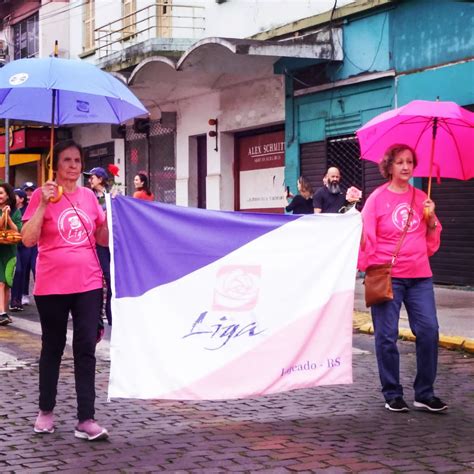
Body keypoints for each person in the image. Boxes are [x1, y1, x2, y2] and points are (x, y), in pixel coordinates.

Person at [22, 139, 109, 440]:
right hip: (51, 285)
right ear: (55, 165)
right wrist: (44, 202)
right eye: (67, 160)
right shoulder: (39, 196)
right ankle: (46, 411)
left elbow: (102, 239)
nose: (73, 166)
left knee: (86, 348)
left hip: (88, 283)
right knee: (53, 348)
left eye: (77, 161)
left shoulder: (88, 197)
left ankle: (86, 419)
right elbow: (28, 239)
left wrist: (111, 216)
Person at [358, 143, 447, 413]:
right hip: (389, 276)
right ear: (389, 166)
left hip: (420, 276)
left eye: (410, 162)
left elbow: (431, 242)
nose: (406, 166)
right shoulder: (377, 198)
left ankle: (424, 392)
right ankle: (392, 392)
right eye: (400, 162)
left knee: (429, 331)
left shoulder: (422, 197)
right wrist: (368, 265)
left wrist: (431, 219)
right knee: (386, 336)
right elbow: (365, 234)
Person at [83, 167, 112, 326]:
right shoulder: (89, 198)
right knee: (98, 277)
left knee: (110, 277)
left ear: (100, 179)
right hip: (94, 243)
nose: (89, 180)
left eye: (92, 177)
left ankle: (110, 312)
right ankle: (97, 312)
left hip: (110, 243)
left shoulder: (112, 195)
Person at [0, 184, 22, 326]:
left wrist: (8, 216)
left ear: (8, 195)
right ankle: (1, 313)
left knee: (7, 283)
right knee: (0, 283)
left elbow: (18, 230)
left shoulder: (16, 211)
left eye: (1, 193)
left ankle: (4, 312)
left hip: (10, 252)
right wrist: (3, 215)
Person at [9, 188, 28, 312]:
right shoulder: (9, 209)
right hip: (12, 244)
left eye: (17, 196)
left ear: (21, 199)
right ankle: (13, 300)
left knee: (23, 272)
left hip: (25, 244)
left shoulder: (25, 210)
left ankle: (18, 299)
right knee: (18, 270)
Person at [20, 181, 38, 305]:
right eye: (27, 191)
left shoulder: (38, 205)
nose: (29, 193)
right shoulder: (19, 207)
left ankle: (40, 293)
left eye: (31, 190)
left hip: (37, 243)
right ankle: (24, 293)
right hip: (24, 243)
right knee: (24, 269)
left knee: (36, 268)